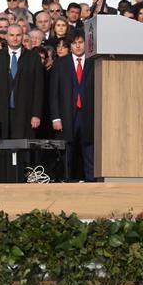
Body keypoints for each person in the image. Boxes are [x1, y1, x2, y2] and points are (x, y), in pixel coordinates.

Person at [50, 29, 95, 181]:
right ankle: (67, 182)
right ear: (70, 45)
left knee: (90, 151)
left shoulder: (94, 62)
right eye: (74, 43)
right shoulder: (60, 63)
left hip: (89, 115)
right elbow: (54, 93)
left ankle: (92, 183)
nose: (77, 46)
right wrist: (55, 118)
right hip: (66, 116)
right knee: (68, 152)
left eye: (80, 43)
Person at [0, 24, 44, 139]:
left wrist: (36, 114)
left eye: (18, 35)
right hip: (2, 113)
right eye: (11, 35)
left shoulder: (33, 57)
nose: (15, 38)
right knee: (3, 152)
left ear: (23, 37)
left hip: (25, 113)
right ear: (6, 37)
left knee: (22, 151)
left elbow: (39, 88)